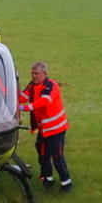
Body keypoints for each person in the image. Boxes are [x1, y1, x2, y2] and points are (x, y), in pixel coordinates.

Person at [19, 61, 72, 193]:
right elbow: (22, 97)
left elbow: (43, 102)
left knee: (57, 157)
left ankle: (66, 184)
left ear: (44, 73)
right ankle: (47, 180)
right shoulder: (32, 85)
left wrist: (23, 108)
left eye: (36, 73)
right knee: (42, 156)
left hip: (56, 129)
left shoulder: (51, 86)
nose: (34, 76)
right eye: (32, 73)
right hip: (44, 130)